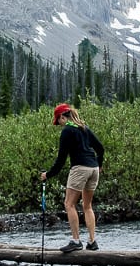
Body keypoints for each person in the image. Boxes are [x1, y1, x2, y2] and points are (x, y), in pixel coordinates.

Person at [40, 103, 105, 253]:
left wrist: (47, 175)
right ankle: (92, 241)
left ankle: (76, 241)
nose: (59, 125)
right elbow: (100, 148)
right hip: (94, 168)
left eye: (59, 121)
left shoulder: (67, 131)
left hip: (80, 168)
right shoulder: (84, 128)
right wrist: (99, 165)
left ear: (63, 117)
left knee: (69, 204)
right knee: (87, 206)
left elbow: (61, 160)